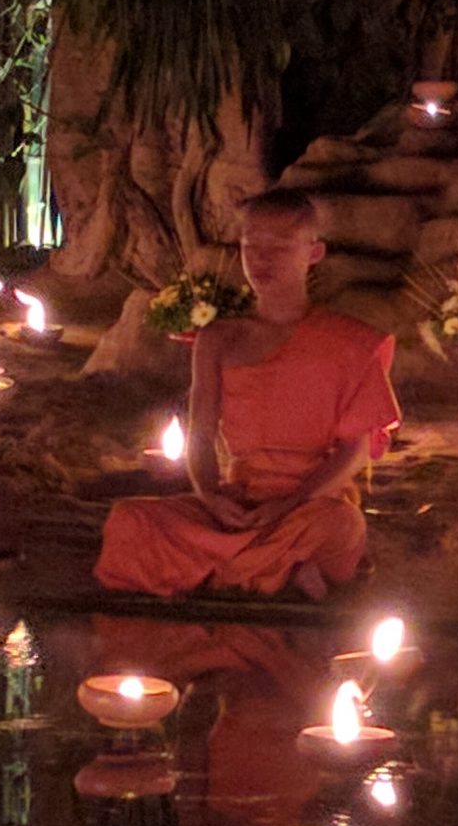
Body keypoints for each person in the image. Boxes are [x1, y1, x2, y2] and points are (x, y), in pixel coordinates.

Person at [94, 192, 400, 598]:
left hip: (314, 503)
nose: (261, 259)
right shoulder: (219, 338)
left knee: (342, 527)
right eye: (251, 246)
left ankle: (236, 569)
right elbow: (200, 436)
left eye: (279, 247)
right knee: (130, 520)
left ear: (314, 253)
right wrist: (209, 494)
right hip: (241, 501)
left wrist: (291, 502)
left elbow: (354, 451)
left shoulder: (346, 342)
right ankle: (278, 571)